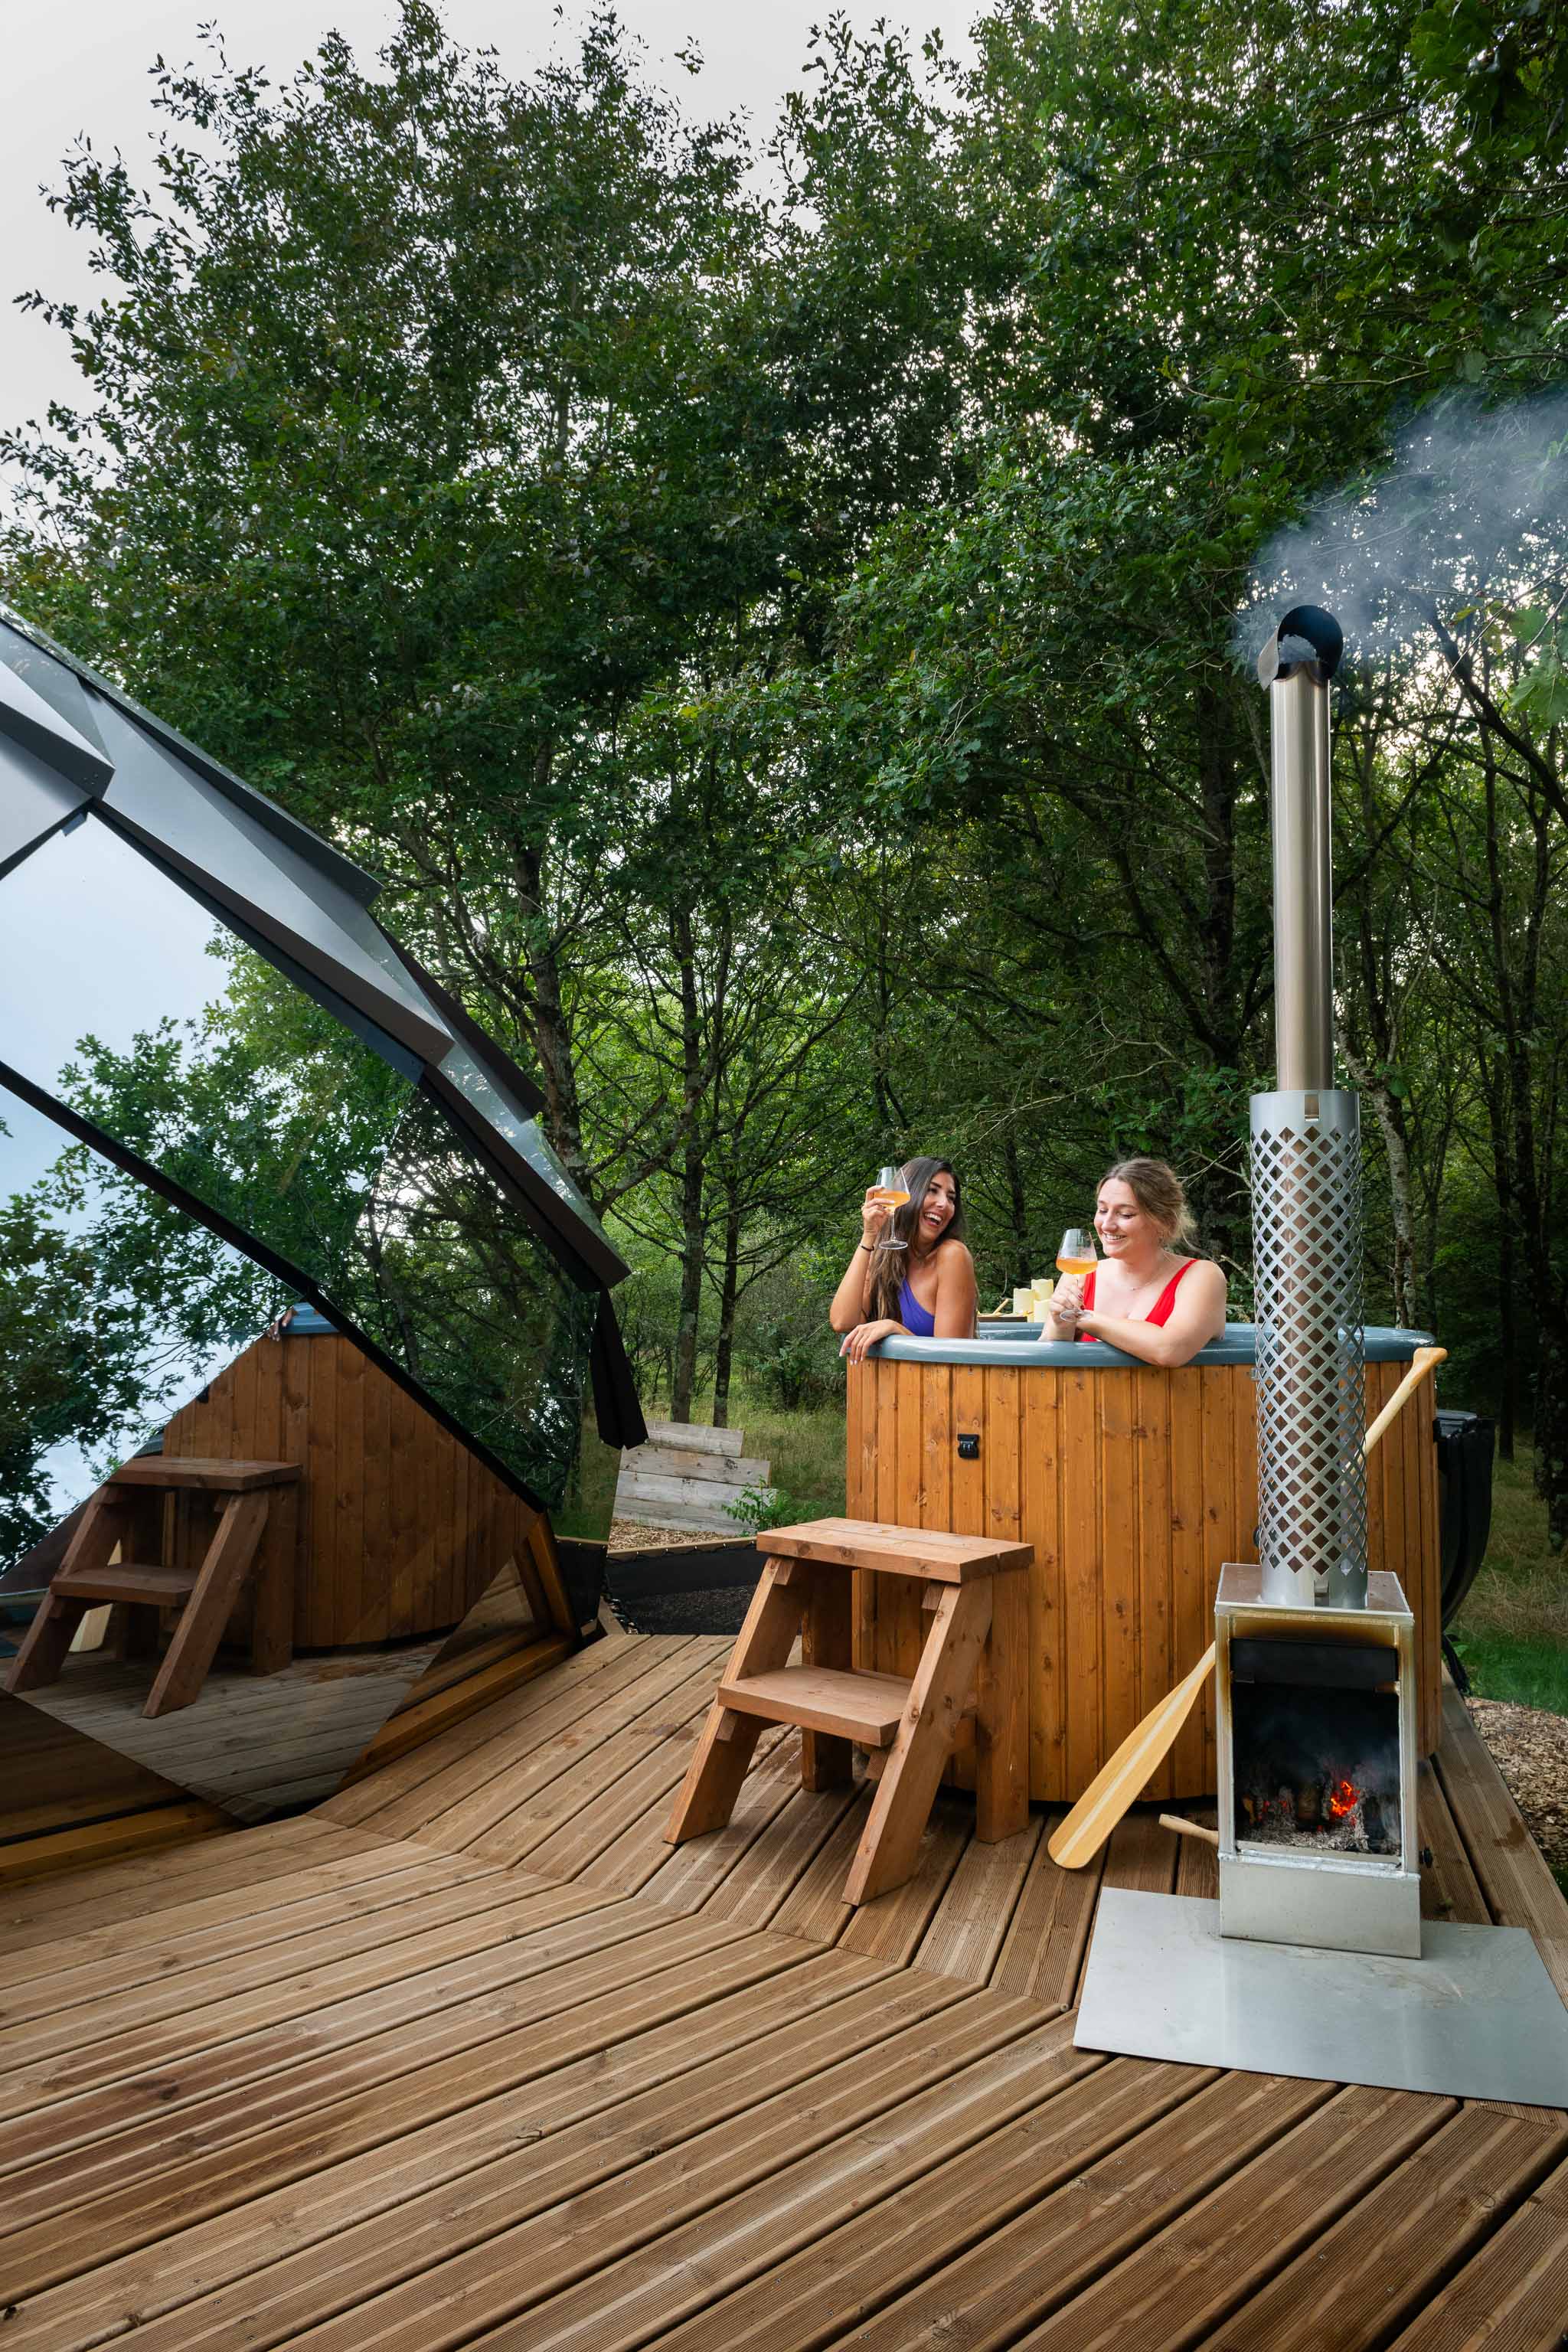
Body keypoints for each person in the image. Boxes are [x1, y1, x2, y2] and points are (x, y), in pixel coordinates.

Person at [1043, 1158, 1227, 1367]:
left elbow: (1170, 1350)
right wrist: (1061, 1325)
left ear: (1163, 1221)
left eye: (1125, 1214)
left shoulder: (1202, 1276)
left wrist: (1084, 1318)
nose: (1107, 1225)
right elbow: (1045, 1370)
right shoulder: (1080, 1275)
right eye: (1102, 1210)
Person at [831, 1157, 978, 1363]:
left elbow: (952, 1360)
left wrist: (896, 1329)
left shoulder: (953, 1256)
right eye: (932, 1190)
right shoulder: (883, 1257)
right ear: (907, 1193)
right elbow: (842, 1321)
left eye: (951, 1198)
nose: (944, 1204)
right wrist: (869, 1235)